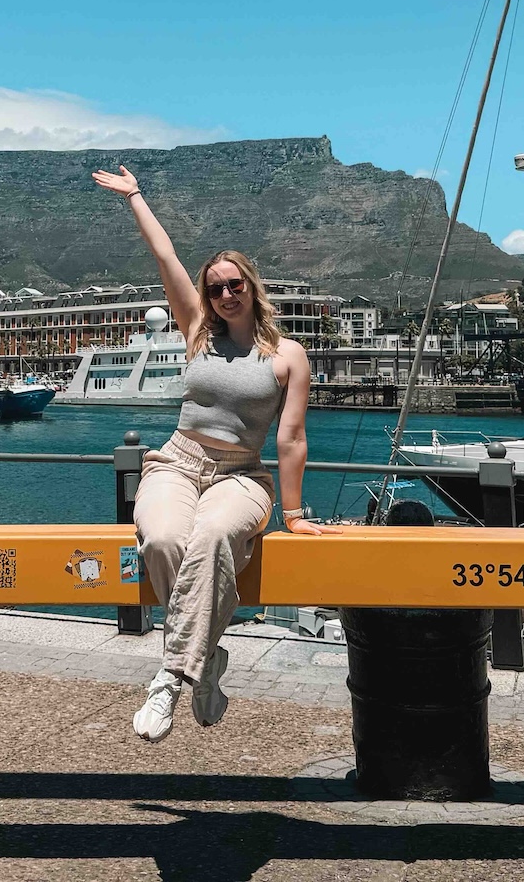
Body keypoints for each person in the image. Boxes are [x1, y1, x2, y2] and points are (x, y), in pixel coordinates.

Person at [92, 164, 339, 743]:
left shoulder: (288, 355)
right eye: (216, 287)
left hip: (242, 476)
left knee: (212, 537)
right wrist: (136, 197)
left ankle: (171, 677)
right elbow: (166, 257)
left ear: (253, 287)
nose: (225, 295)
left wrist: (296, 515)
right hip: (176, 461)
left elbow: (292, 438)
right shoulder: (197, 328)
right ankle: (207, 664)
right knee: (162, 539)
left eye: (235, 285)